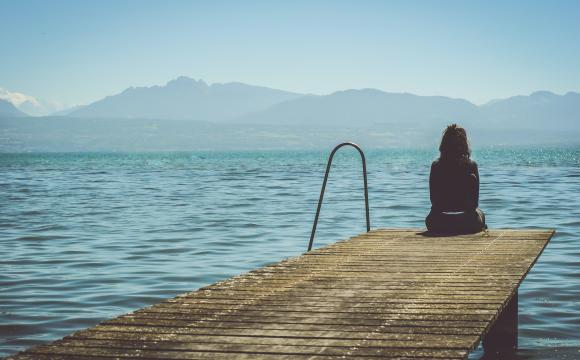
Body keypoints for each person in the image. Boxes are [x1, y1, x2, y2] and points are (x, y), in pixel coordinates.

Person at [426, 124, 486, 234]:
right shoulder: (471, 166)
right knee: (480, 213)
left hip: (439, 222)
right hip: (467, 222)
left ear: (443, 145)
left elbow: (434, 201)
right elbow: (474, 204)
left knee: (430, 219)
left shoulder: (436, 166)